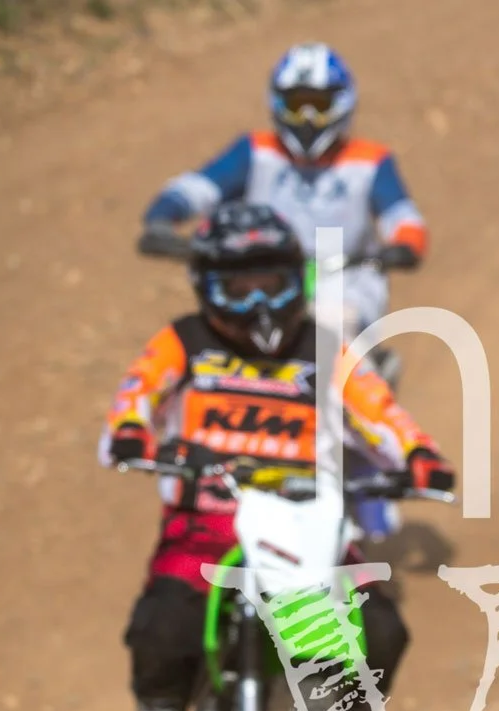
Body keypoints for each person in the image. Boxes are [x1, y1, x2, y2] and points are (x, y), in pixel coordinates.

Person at [102, 202, 454, 711]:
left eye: (273, 283)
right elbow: (137, 393)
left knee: (380, 630)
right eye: (240, 287)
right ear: (208, 286)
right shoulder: (184, 341)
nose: (259, 302)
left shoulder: (325, 349)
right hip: (210, 522)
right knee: (166, 620)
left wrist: (419, 456)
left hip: (309, 521)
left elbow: (378, 410)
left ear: (298, 280)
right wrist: (132, 433)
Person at [137, 41, 427, 539]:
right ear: (277, 103)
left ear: (343, 103)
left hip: (344, 280)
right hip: (263, 278)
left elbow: (405, 218)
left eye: (318, 103)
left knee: (329, 335)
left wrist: (402, 245)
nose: (307, 117)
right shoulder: (255, 152)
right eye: (297, 104)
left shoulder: (370, 162)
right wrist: (165, 217)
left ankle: (361, 470)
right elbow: (196, 187)